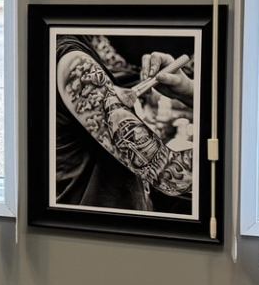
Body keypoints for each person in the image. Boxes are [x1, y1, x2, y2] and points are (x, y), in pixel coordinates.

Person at [51, 36, 196, 217]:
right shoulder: (74, 63)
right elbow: (174, 176)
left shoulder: (74, 51)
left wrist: (190, 92)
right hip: (98, 233)